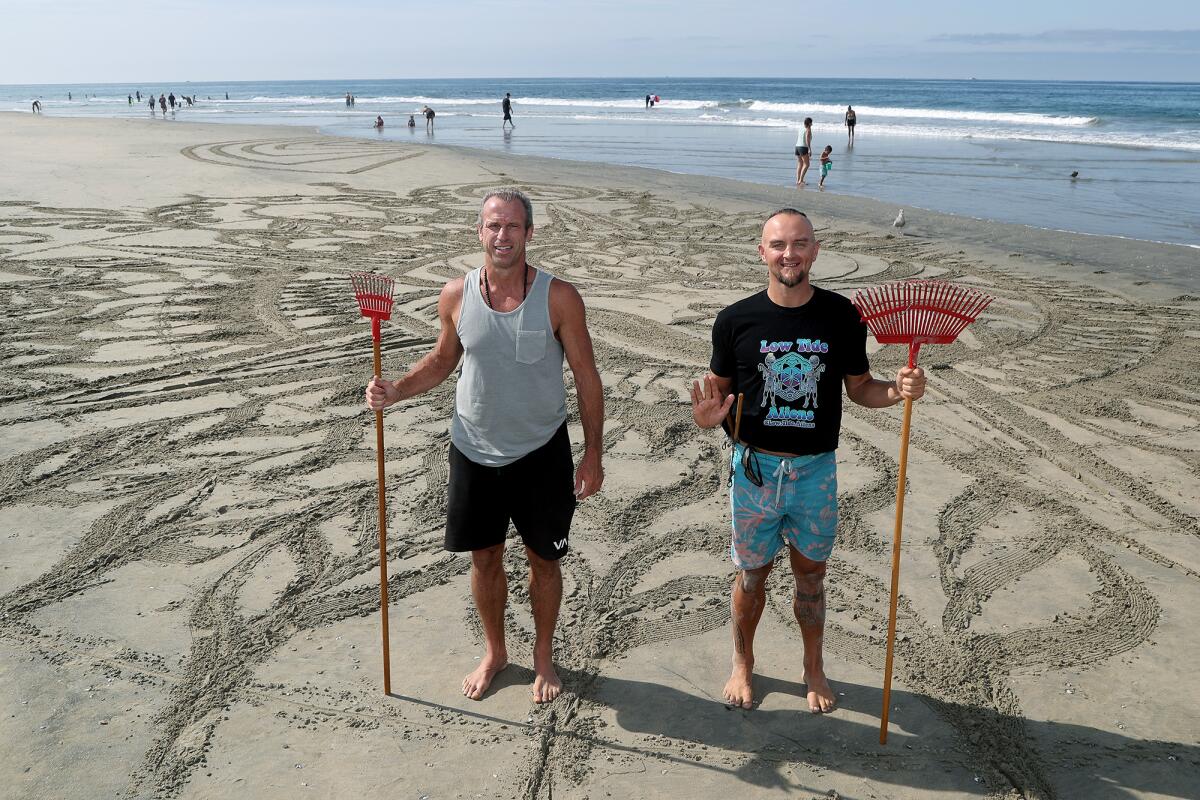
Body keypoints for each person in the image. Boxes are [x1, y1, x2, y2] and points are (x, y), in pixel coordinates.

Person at [364, 189, 605, 704]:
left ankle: (543, 654)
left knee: (544, 560)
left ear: (529, 233)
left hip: (541, 451)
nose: (503, 235)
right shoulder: (455, 294)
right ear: (480, 232)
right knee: (485, 557)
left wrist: (593, 453)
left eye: (513, 226)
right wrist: (396, 390)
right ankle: (495, 651)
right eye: (494, 226)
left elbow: (587, 378)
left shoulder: (559, 297)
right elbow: (442, 359)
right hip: (473, 448)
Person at [690, 208, 925, 714]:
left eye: (799, 244)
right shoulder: (735, 320)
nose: (789, 254)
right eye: (778, 245)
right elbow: (719, 400)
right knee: (751, 577)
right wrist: (708, 419)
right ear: (762, 252)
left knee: (811, 577)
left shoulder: (842, 316)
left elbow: (861, 388)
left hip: (815, 471)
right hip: (754, 471)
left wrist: (898, 390)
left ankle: (813, 666)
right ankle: (743, 661)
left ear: (815, 251)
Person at [795, 118, 813, 185]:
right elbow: (807, 140)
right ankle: (801, 180)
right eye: (811, 123)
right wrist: (809, 149)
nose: (812, 124)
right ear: (809, 123)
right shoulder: (808, 130)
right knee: (807, 164)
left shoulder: (800, 128)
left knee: (800, 164)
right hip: (803, 147)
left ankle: (798, 180)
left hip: (797, 147)